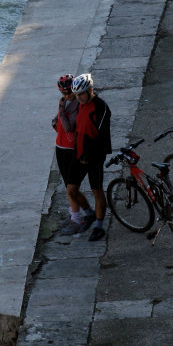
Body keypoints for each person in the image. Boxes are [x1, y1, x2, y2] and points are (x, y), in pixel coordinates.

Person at [52, 74, 95, 235]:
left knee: (72, 188)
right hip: (61, 147)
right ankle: (78, 215)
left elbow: (69, 127)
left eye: (69, 92)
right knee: (68, 187)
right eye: (63, 93)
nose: (67, 96)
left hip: (72, 150)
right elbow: (57, 121)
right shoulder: (66, 102)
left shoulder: (77, 105)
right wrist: (58, 118)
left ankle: (78, 219)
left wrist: (61, 110)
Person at [71, 73, 112, 241]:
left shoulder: (100, 107)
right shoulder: (79, 105)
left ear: (90, 90)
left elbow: (101, 136)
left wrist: (89, 153)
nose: (79, 97)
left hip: (94, 157)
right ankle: (89, 213)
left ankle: (99, 226)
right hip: (79, 154)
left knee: (97, 190)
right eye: (76, 95)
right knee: (71, 190)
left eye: (81, 94)